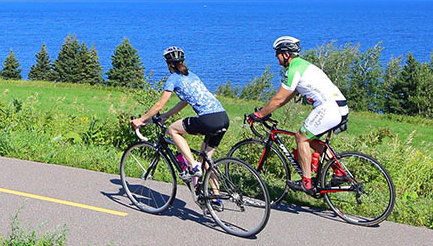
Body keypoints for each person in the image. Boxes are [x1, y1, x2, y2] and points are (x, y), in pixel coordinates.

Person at [246, 36, 349, 194]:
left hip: (329, 108)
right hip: (338, 106)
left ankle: (306, 182)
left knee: (301, 137)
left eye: (278, 53)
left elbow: (279, 99)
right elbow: (287, 96)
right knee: (310, 139)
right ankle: (339, 171)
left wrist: (258, 115)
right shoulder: (303, 66)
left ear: (286, 54)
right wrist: (266, 111)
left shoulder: (294, 70)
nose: (276, 56)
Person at [130, 46, 230, 181]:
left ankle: (193, 166)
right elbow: (184, 102)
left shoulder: (173, 79)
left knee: (172, 130)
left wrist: (140, 119)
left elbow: (159, 105)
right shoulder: (192, 76)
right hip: (223, 117)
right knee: (205, 162)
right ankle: (213, 193)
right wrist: (166, 115)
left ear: (168, 64)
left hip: (208, 119)